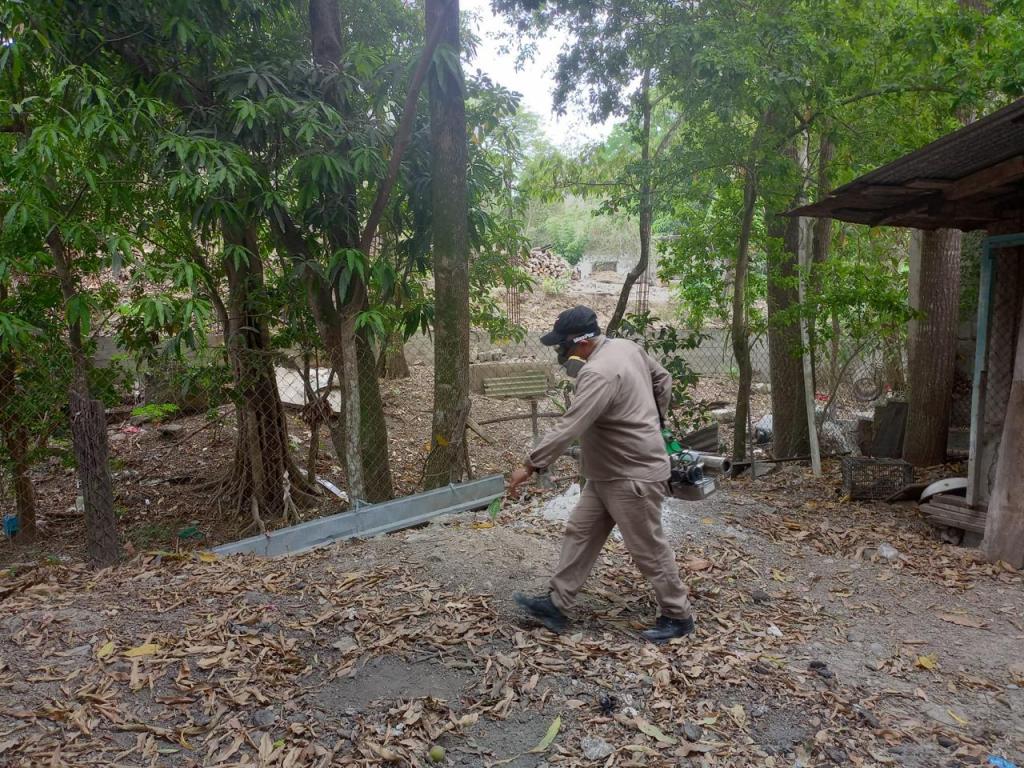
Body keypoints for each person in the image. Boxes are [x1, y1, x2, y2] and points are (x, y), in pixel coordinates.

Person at [508, 306, 695, 643]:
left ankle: (678, 615)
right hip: (607, 471)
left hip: (632, 474)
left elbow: (571, 425)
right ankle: (556, 604)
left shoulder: (598, 373)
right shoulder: (625, 347)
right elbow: (663, 379)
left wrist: (530, 465)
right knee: (580, 532)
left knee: (648, 548)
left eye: (562, 345)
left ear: (580, 342)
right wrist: (652, 419)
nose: (560, 351)